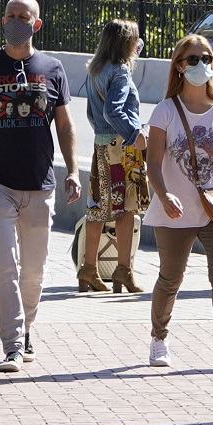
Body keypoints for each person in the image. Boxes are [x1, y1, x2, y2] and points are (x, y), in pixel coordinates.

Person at [0, 0, 81, 373]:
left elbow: (65, 125)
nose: (15, 21)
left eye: (22, 16)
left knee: (34, 270)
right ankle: (11, 344)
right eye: (10, 15)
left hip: (39, 183)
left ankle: (27, 329)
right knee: (3, 264)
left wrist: (72, 169)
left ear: (36, 24)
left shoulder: (53, 68)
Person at [144, 34, 213, 373]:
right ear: (179, 66)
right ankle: (159, 338)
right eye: (192, 59)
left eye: (206, 58)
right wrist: (164, 196)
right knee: (170, 278)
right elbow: (153, 162)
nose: (200, 65)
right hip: (175, 211)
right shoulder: (165, 111)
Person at [81, 19, 150, 293]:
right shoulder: (120, 71)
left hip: (101, 144)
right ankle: (123, 270)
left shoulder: (95, 69)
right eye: (136, 39)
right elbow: (114, 111)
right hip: (122, 147)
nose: (138, 44)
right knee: (127, 210)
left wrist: (102, 134)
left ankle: (89, 269)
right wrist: (134, 135)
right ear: (126, 43)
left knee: (98, 207)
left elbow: (91, 112)